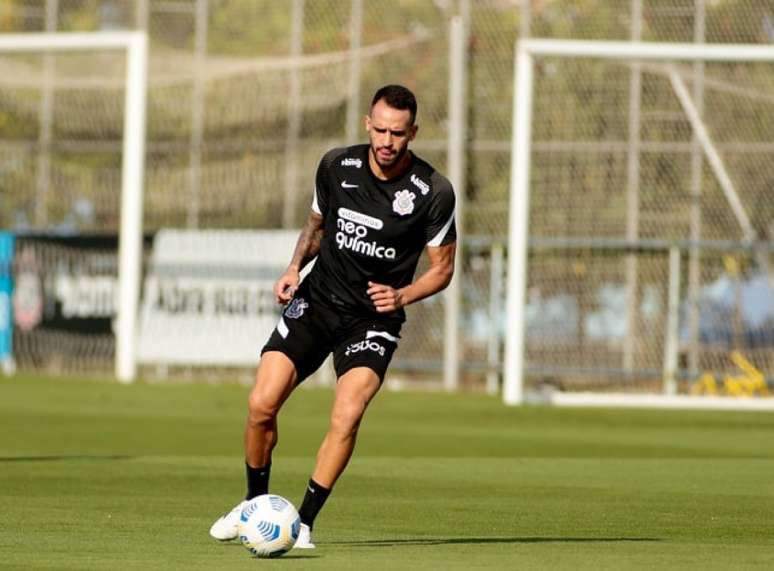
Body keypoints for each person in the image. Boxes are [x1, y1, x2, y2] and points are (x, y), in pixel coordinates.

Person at [209, 84, 456, 549]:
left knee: (347, 414)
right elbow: (317, 227)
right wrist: (293, 266)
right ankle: (253, 508)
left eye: (398, 133)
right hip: (318, 301)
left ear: (413, 133)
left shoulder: (433, 191)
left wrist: (403, 296)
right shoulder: (336, 165)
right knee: (261, 404)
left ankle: (303, 523)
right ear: (367, 123)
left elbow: (443, 269)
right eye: (380, 129)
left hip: (372, 322)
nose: (387, 141)